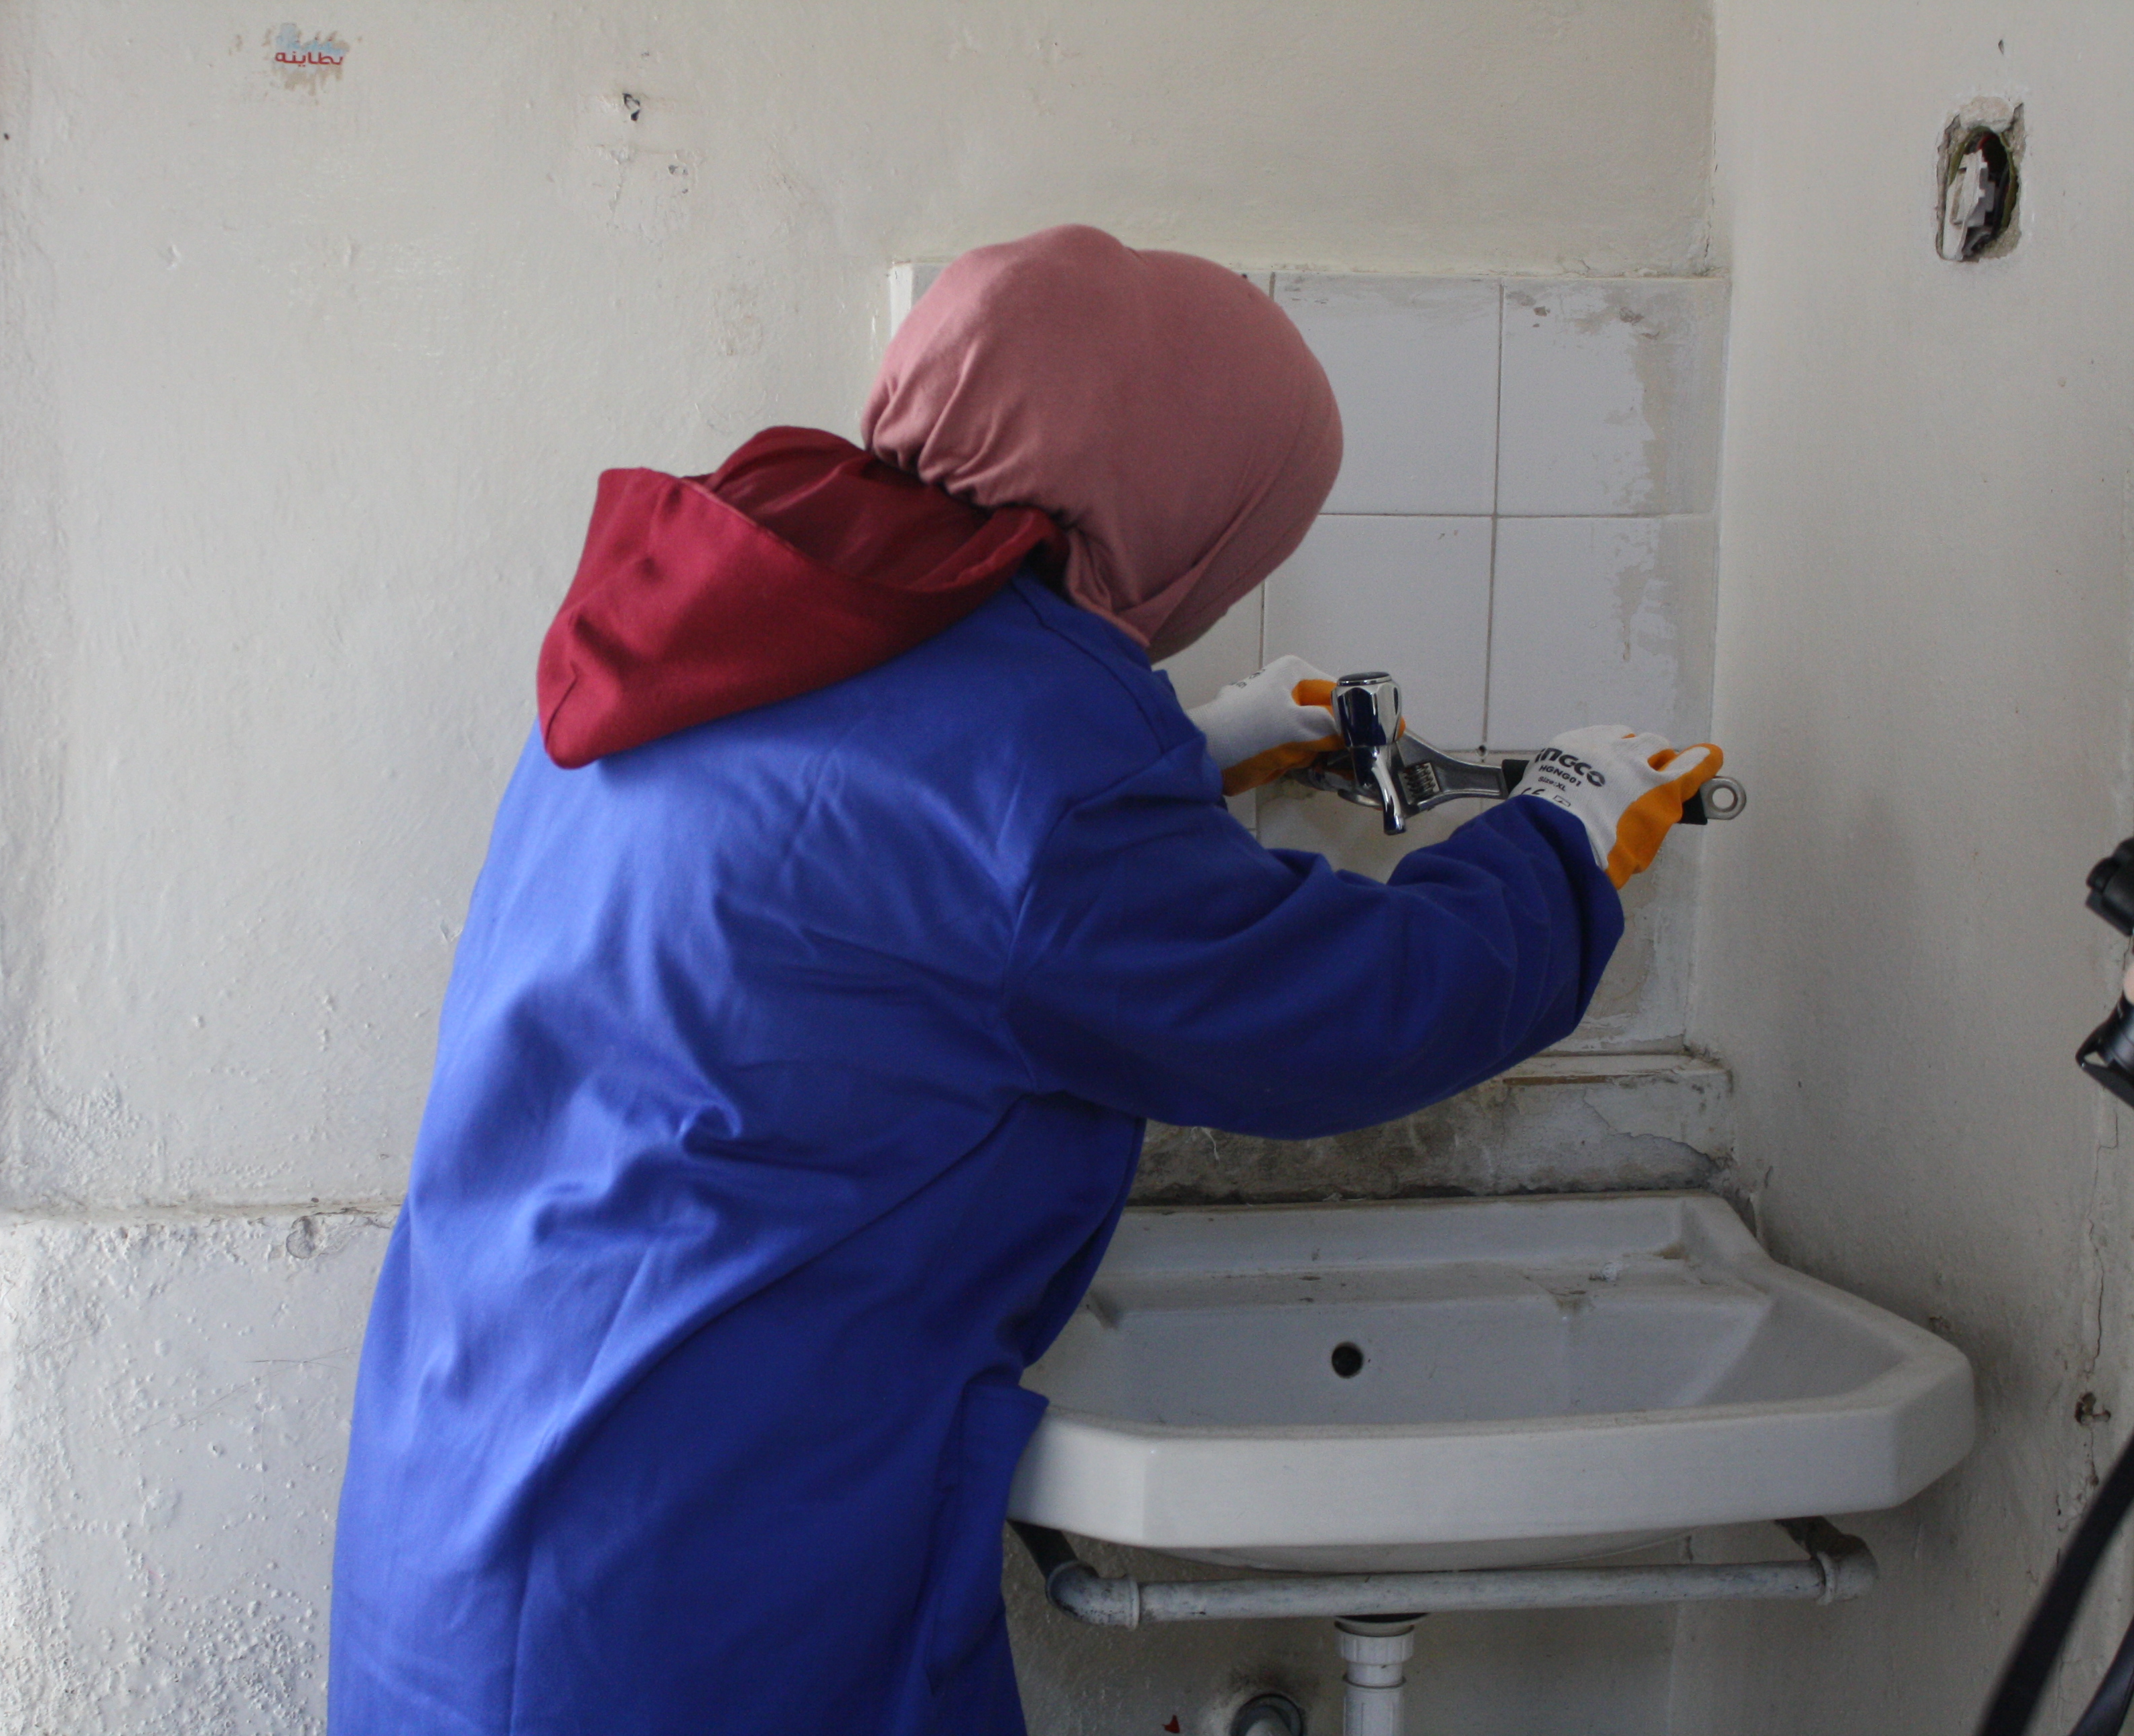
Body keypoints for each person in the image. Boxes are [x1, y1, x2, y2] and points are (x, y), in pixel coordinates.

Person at [328, 224, 1723, 1735]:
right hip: (699, 1580)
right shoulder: (1041, 759)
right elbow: (1337, 1020)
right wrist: (1559, 845)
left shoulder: (732, 600)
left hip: (469, 1495)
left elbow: (867, 877)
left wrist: (1185, 758)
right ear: (1176, 502)